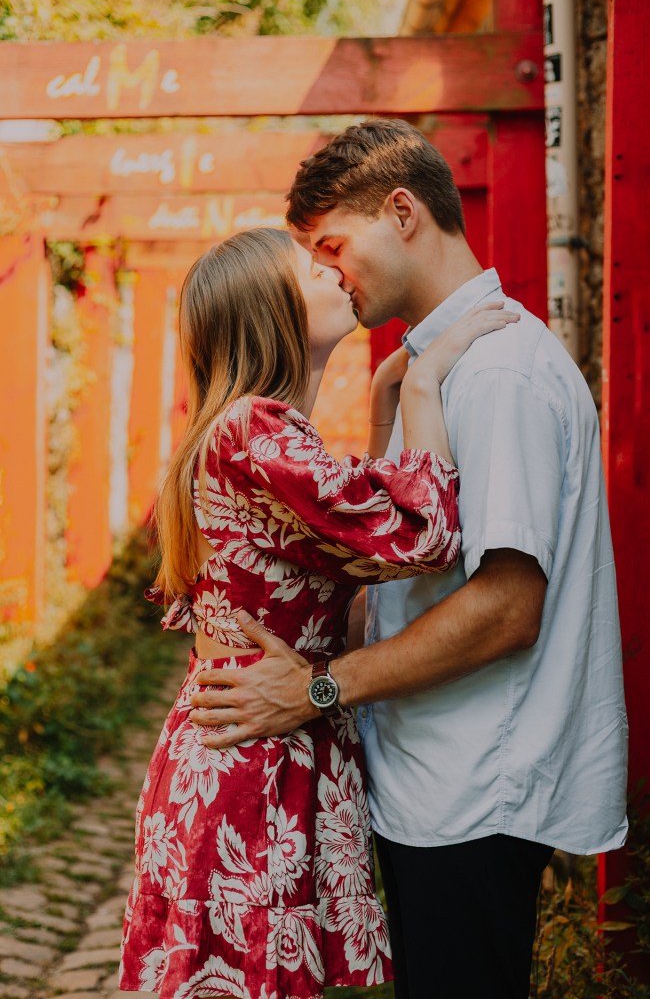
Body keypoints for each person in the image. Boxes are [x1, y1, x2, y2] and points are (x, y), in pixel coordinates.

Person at [190, 120, 629, 999]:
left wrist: (316, 688)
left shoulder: (497, 375)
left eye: (333, 246)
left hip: (472, 789)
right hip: (434, 779)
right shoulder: (439, 368)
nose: (329, 272)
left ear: (402, 212)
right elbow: (404, 559)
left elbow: (506, 606)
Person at [118, 225, 518, 999]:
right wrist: (427, 384)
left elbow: (362, 567)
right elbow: (420, 535)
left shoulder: (257, 433)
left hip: (265, 745)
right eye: (313, 267)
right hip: (251, 763)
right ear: (271, 309)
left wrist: (380, 407)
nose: (337, 271)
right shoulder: (252, 432)